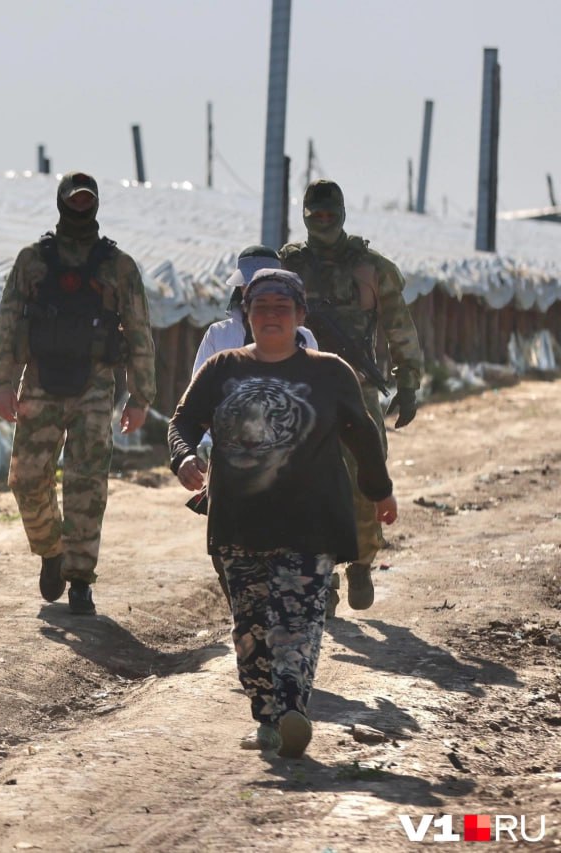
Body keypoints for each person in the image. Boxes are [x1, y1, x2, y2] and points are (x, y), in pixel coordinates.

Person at [167, 268, 398, 758]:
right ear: (247, 315)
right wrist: (185, 456)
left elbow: (362, 435)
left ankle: (292, 707)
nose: (271, 315)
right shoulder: (222, 369)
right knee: (250, 631)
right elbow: (182, 421)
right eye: (261, 306)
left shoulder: (329, 371)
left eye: (282, 307)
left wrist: (379, 492)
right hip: (237, 523)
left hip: (309, 523)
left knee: (298, 620)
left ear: (299, 315)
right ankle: (268, 721)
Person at [0, 171, 156, 615]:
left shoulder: (119, 267)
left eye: (87, 201)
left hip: (95, 385)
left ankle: (80, 578)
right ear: (61, 203)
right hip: (39, 380)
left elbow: (138, 331)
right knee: (25, 479)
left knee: (86, 483)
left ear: (96, 204)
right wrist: (1, 382)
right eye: (73, 201)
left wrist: (141, 397)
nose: (80, 208)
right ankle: (51, 551)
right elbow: (7, 321)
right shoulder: (32, 260)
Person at [280, 180, 422, 612]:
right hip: (301, 389)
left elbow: (399, 325)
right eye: (315, 215)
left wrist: (409, 381)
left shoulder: (370, 267)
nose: (323, 222)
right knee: (306, 485)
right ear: (305, 215)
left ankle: (359, 564)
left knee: (365, 479)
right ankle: (322, 579)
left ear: (341, 214)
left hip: (356, 390)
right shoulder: (288, 266)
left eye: (329, 214)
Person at [190, 245, 319, 608]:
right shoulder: (219, 335)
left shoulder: (303, 338)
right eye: (251, 289)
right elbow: (197, 393)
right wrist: (199, 443)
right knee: (225, 541)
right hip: (230, 454)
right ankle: (244, 609)